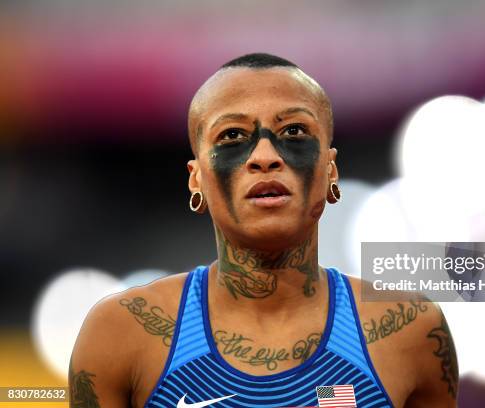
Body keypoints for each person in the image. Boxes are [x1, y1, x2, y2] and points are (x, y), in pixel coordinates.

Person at [69, 53, 458, 408]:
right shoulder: (121, 331)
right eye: (233, 136)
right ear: (196, 179)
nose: (265, 157)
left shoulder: (411, 329)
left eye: (294, 132)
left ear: (330, 170)